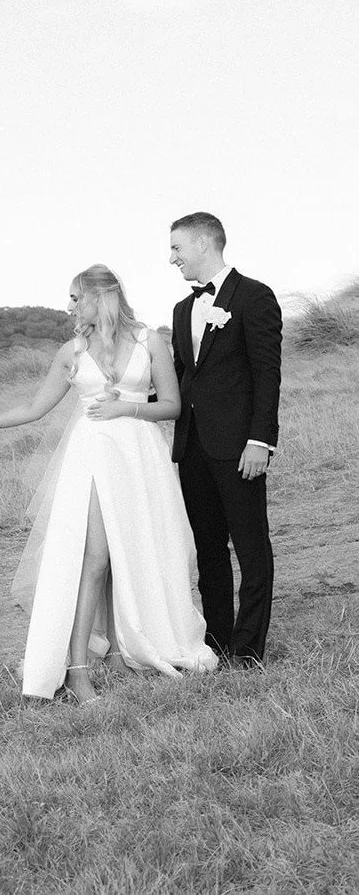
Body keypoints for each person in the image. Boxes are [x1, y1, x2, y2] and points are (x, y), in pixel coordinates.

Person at [0, 264, 217, 704]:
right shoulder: (71, 352)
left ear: (100, 297)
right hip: (91, 459)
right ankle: (76, 671)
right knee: (95, 558)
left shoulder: (151, 342)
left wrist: (127, 410)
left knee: (133, 549)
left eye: (75, 297)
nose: (69, 306)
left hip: (139, 458)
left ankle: (118, 654)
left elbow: (172, 406)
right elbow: (33, 408)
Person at [169, 212, 282, 666]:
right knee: (209, 549)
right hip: (192, 447)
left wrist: (260, 441)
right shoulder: (181, 310)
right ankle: (215, 643)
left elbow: (266, 375)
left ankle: (249, 648)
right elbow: (183, 378)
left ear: (202, 243)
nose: (171, 257)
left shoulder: (255, 296)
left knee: (252, 548)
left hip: (239, 448)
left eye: (176, 248)